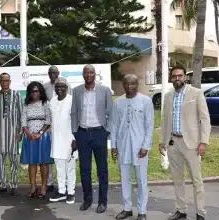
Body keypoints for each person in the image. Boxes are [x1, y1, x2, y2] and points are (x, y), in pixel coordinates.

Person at [159, 66, 211, 220]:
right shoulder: (168, 96)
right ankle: (181, 210)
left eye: (180, 76)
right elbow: (164, 119)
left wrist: (203, 142)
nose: (177, 79)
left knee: (197, 180)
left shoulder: (196, 93)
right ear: (171, 78)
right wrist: (162, 141)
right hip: (173, 143)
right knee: (177, 179)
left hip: (192, 144)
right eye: (174, 76)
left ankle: (200, 213)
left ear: (185, 77)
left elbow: (205, 119)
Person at [110, 74, 154, 220]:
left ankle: (142, 211)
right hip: (123, 147)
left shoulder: (145, 101)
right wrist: (114, 146)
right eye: (126, 84)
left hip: (140, 148)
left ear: (137, 84)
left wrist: (146, 145)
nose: (129, 87)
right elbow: (114, 125)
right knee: (125, 179)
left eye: (133, 84)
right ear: (123, 84)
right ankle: (127, 208)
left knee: (141, 180)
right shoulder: (118, 102)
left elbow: (149, 125)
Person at [71, 64, 112, 213]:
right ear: (83, 75)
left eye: (91, 72)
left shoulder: (104, 90)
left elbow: (110, 112)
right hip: (82, 134)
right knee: (84, 170)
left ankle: (102, 202)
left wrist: (107, 131)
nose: (89, 75)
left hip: (99, 133)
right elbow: (74, 112)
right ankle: (87, 200)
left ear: (95, 74)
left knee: (102, 170)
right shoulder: (76, 91)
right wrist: (75, 132)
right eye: (86, 73)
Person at [0, 73, 22, 196]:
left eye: (7, 80)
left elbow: (21, 114)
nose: (5, 83)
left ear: (10, 81)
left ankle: (13, 185)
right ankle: (2, 185)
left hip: (13, 134)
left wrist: (20, 133)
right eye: (2, 80)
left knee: (14, 160)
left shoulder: (16, 94)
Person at [20, 81, 53, 198]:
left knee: (44, 162)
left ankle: (44, 186)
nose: (35, 93)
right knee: (32, 163)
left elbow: (48, 121)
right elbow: (23, 122)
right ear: (29, 92)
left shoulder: (46, 103)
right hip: (29, 137)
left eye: (37, 91)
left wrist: (39, 133)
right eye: (33, 91)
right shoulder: (26, 105)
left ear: (41, 92)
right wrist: (29, 133)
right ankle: (33, 186)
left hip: (43, 136)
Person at [49, 78, 77, 204]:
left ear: (67, 88)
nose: (59, 89)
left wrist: (75, 139)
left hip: (70, 139)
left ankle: (71, 192)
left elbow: (76, 121)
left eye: (62, 87)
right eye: (57, 87)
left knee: (70, 167)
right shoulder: (53, 101)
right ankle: (61, 191)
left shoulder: (72, 100)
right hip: (56, 140)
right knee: (59, 167)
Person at [43, 65, 70, 192]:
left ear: (58, 73)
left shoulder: (64, 84)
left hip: (63, 127)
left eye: (54, 73)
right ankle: (49, 183)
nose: (52, 75)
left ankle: (65, 184)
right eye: (50, 73)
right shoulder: (45, 86)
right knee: (51, 155)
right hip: (50, 126)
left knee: (64, 156)